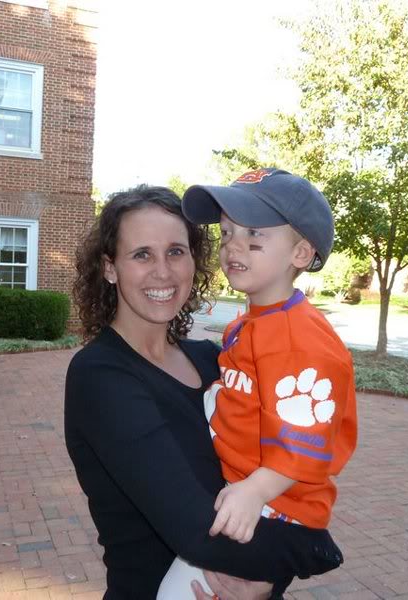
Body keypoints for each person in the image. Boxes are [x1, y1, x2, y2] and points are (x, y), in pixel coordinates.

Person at [65, 185, 343, 600]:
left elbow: (289, 468)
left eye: (176, 251)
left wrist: (267, 584)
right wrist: (312, 549)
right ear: (110, 268)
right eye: (142, 254)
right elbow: (197, 531)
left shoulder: (216, 360)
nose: (163, 271)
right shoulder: (101, 376)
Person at [162, 168, 357, 597]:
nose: (233, 245)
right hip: (248, 492)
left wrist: (255, 492)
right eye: (227, 232)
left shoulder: (299, 338)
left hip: (275, 505)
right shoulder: (251, 325)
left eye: (254, 234)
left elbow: (306, 439)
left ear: (301, 253)